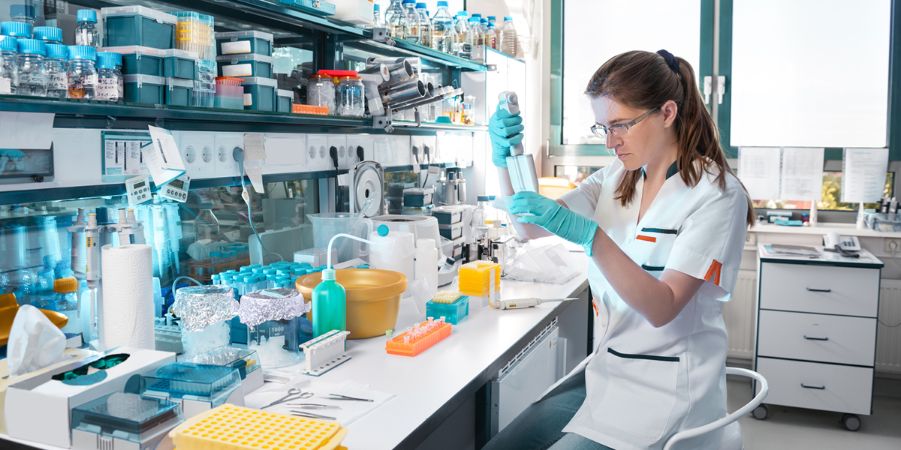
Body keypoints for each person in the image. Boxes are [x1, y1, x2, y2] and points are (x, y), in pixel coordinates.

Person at [483, 50, 755, 450]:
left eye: (621, 125)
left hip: (669, 393)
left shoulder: (717, 195)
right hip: (609, 372)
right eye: (603, 128)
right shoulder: (616, 177)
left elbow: (662, 307)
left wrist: (592, 238)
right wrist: (506, 160)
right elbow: (529, 226)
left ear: (667, 113)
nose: (611, 142)